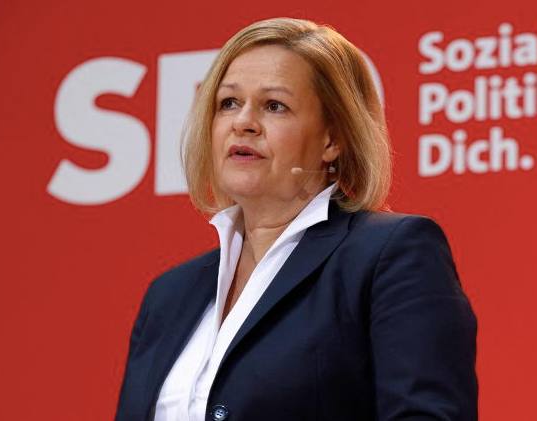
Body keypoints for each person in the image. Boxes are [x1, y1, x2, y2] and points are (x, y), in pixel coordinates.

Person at [115, 17, 477, 421]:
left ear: (332, 139)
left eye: (275, 106)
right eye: (228, 103)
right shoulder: (168, 296)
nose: (242, 122)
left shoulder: (389, 256)